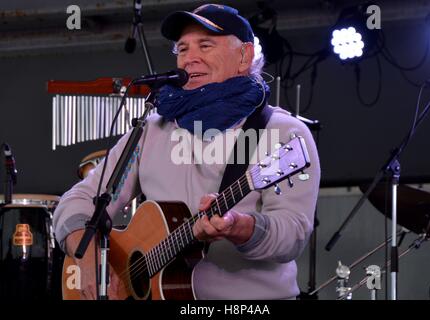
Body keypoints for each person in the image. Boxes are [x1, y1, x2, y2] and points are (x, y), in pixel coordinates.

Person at [53, 3, 320, 300]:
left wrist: (241, 228)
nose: (190, 58)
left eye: (205, 46)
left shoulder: (283, 134)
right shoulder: (150, 131)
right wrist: (86, 253)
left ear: (244, 56)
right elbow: (78, 200)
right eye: (182, 49)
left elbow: (293, 235)